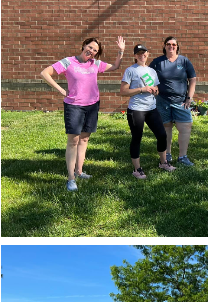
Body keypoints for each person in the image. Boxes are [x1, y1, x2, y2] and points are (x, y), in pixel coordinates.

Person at [40, 36, 125, 191]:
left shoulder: (95, 64)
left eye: (95, 51)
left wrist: (121, 51)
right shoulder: (68, 62)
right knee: (73, 141)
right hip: (74, 106)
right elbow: (45, 73)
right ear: (84, 45)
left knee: (84, 139)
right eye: (90, 47)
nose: (91, 51)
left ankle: (79, 171)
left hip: (92, 105)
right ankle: (71, 178)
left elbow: (115, 67)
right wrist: (60, 89)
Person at [120, 44, 176, 178]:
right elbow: (123, 91)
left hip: (151, 108)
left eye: (144, 52)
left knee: (162, 135)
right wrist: (141, 89)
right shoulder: (130, 70)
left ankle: (163, 162)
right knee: (137, 138)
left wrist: (155, 90)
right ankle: (137, 169)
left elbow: (156, 87)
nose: (141, 55)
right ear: (135, 56)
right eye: (138, 53)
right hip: (136, 110)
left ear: (147, 54)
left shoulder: (151, 71)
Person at [149, 37, 197, 167]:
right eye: (168, 44)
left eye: (174, 44)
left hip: (181, 101)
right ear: (164, 46)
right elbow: (147, 76)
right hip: (162, 101)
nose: (171, 46)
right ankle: (167, 154)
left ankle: (183, 156)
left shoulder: (184, 61)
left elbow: (192, 79)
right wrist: (153, 88)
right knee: (166, 127)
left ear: (177, 46)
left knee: (185, 127)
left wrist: (189, 97)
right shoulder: (157, 62)